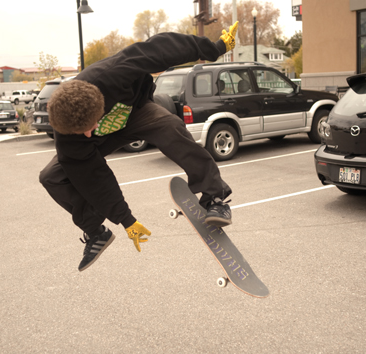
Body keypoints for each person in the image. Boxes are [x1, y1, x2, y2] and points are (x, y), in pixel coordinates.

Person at [39, 22, 239, 272]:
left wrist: (215, 48)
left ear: (98, 107)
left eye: (88, 126)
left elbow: (163, 48)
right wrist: (126, 220)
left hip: (135, 113)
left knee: (170, 126)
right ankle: (95, 232)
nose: (87, 133)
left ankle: (215, 197)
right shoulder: (69, 133)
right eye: (81, 132)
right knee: (51, 177)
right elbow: (94, 176)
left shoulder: (114, 72)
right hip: (103, 139)